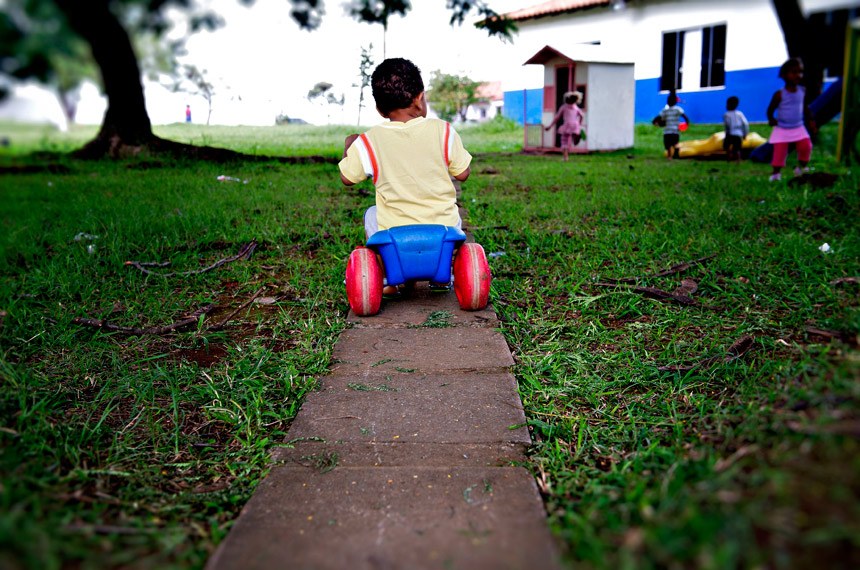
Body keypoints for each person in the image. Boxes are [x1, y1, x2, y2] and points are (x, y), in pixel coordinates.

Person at [339, 57, 472, 296]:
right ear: (420, 98)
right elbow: (463, 173)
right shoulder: (443, 131)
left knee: (371, 214)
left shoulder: (370, 141)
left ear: (380, 109)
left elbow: (348, 177)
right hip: (442, 230)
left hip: (395, 235)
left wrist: (350, 147)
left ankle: (391, 277)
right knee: (453, 211)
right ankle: (442, 276)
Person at [766, 57, 816, 181]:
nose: (798, 75)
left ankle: (802, 167)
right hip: (782, 128)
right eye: (794, 72)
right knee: (780, 152)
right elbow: (770, 109)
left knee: (806, 146)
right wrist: (771, 119)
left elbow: (804, 107)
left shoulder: (802, 91)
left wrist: (810, 121)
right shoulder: (779, 94)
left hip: (798, 126)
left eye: (800, 72)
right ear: (784, 75)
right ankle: (776, 174)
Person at [544, 91, 585, 161]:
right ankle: (575, 136)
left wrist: (550, 126)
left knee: (564, 141)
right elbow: (582, 115)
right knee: (571, 139)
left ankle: (565, 157)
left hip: (567, 125)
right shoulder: (576, 107)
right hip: (575, 125)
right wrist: (579, 124)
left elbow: (557, 117)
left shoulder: (564, 107)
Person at [652, 92, 690, 160]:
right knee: (675, 143)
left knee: (668, 145)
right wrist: (687, 123)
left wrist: (654, 122)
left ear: (667, 102)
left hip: (667, 131)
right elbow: (685, 116)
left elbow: (658, 117)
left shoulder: (665, 111)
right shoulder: (678, 109)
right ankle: (676, 154)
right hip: (675, 131)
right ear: (676, 102)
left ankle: (669, 156)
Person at [723, 96, 749, 163]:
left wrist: (726, 134)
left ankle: (729, 158)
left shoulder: (726, 115)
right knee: (737, 148)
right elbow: (745, 124)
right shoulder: (740, 114)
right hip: (738, 134)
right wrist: (745, 134)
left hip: (730, 134)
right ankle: (738, 160)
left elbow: (727, 126)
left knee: (726, 146)